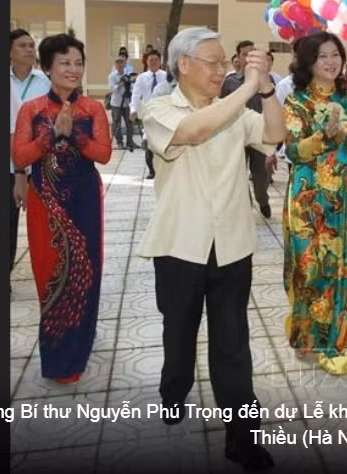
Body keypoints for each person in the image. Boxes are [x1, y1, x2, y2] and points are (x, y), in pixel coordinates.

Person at [137, 27, 285, 471]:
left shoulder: (235, 111)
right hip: (180, 245)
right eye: (215, 62)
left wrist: (268, 89)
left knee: (232, 344)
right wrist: (245, 88)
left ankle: (242, 436)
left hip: (232, 246)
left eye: (227, 63)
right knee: (179, 333)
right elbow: (197, 131)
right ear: (184, 64)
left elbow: (274, 135)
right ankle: (173, 390)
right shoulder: (159, 108)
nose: (223, 70)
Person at [12, 31, 112, 382]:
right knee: (51, 275)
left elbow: (103, 154)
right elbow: (20, 156)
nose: (73, 69)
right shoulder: (31, 110)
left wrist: (76, 135)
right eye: (64, 62)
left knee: (87, 276)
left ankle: (80, 349)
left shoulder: (93, 108)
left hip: (85, 201)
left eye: (79, 63)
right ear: (47, 67)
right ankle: (56, 358)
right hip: (46, 205)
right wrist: (50, 134)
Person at [282, 32, 347, 376]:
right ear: (309, 62)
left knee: (341, 270)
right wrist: (327, 134)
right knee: (310, 269)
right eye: (323, 56)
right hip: (308, 199)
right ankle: (307, 335)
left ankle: (336, 343)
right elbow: (293, 150)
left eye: (335, 54)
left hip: (341, 200)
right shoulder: (297, 103)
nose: (331, 61)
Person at [10, 29, 51, 286]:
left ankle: (50, 274)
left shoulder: (43, 82)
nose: (29, 49)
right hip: (11, 166)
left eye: (31, 45)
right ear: (10, 51)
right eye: (23, 45)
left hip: (40, 163)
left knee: (45, 223)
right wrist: (19, 173)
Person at [221, 40, 275, 218]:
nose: (249, 58)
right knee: (238, 175)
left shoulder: (266, 80)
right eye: (245, 54)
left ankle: (263, 199)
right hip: (236, 136)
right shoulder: (230, 82)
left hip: (259, 135)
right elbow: (221, 108)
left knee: (261, 174)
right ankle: (246, 204)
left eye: (252, 53)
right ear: (238, 57)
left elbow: (272, 109)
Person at [130, 50, 167, 179]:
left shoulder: (166, 76)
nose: (153, 62)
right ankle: (151, 170)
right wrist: (133, 110)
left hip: (163, 114)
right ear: (146, 62)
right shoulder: (142, 78)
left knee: (161, 143)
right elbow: (135, 95)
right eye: (150, 60)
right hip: (147, 114)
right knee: (148, 142)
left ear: (160, 61)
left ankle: (162, 168)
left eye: (156, 60)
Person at [108, 55, 135, 151]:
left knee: (129, 123)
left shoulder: (128, 75)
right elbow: (112, 89)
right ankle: (119, 142)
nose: (119, 64)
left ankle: (130, 142)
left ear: (124, 64)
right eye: (117, 62)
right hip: (116, 103)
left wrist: (129, 83)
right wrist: (121, 83)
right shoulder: (112, 76)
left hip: (127, 103)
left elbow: (133, 87)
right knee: (116, 123)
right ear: (115, 64)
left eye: (121, 62)